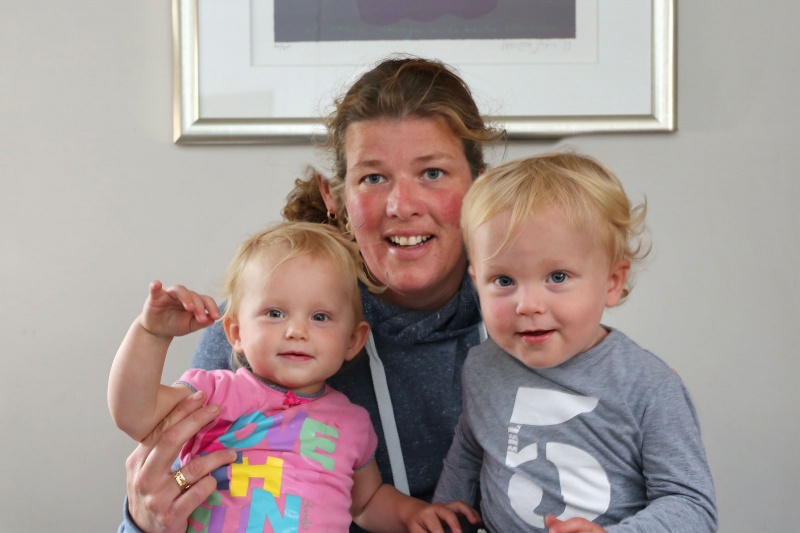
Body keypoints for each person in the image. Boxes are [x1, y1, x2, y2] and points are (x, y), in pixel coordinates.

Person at [119, 55, 504, 533]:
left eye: (432, 173)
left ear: (480, 186)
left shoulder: (527, 317)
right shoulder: (260, 326)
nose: (402, 205)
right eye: (373, 178)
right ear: (336, 199)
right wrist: (143, 521)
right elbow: (154, 459)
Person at [109, 222, 479, 532]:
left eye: (320, 317)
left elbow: (366, 501)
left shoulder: (352, 422)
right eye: (274, 313)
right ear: (235, 333)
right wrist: (152, 334)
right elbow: (134, 414)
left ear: (353, 340)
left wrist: (413, 513)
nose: (296, 331)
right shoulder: (215, 391)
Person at [430, 153, 718, 532]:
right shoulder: (482, 365)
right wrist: (443, 510)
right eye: (503, 281)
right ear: (475, 281)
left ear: (612, 282)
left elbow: (692, 506)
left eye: (558, 276)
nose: (528, 305)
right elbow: (470, 449)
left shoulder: (649, 386)